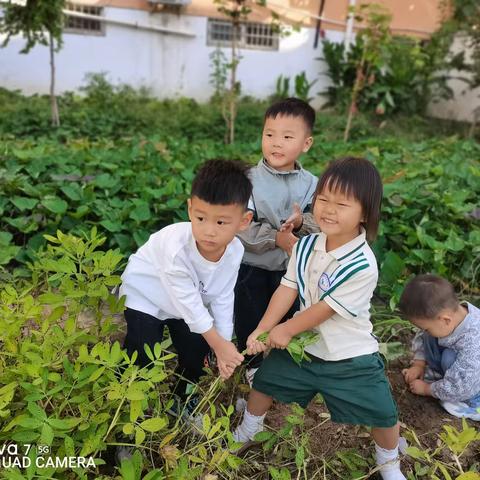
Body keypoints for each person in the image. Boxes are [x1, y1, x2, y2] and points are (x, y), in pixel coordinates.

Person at [234, 157, 406, 480]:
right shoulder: (306, 246)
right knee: (266, 380)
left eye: (342, 204)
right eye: (324, 199)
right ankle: (249, 428)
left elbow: (323, 309)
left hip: (349, 354)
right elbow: (287, 289)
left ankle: (389, 463)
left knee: (383, 413)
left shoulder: (362, 263)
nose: (328, 209)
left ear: (365, 213)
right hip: (305, 348)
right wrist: (263, 327)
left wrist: (285, 329)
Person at [119, 159, 253, 408]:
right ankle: (127, 406)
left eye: (221, 222)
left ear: (243, 221)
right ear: (190, 209)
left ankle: (181, 402)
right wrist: (219, 344)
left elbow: (224, 295)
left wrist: (220, 345)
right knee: (142, 351)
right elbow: (189, 304)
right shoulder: (175, 248)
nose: (209, 231)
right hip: (146, 296)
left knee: (195, 354)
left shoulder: (235, 251)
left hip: (186, 306)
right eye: (201, 218)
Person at [234, 97, 319, 385]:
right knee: (250, 313)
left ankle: (281, 364)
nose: (276, 143)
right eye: (269, 135)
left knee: (288, 316)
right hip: (252, 266)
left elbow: (318, 221)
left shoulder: (311, 184)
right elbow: (240, 226)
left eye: (287, 136)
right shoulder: (248, 179)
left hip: (291, 270)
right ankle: (253, 364)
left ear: (306, 144)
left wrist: (300, 223)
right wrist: (276, 238)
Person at [399, 274, 480, 421]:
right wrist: (419, 364)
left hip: (472, 381)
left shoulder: (473, 341)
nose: (424, 331)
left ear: (446, 320)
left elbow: (463, 383)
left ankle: (474, 400)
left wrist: (427, 389)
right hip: (460, 367)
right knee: (431, 336)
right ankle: (441, 376)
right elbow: (424, 336)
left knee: (449, 356)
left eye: (426, 328)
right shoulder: (445, 320)